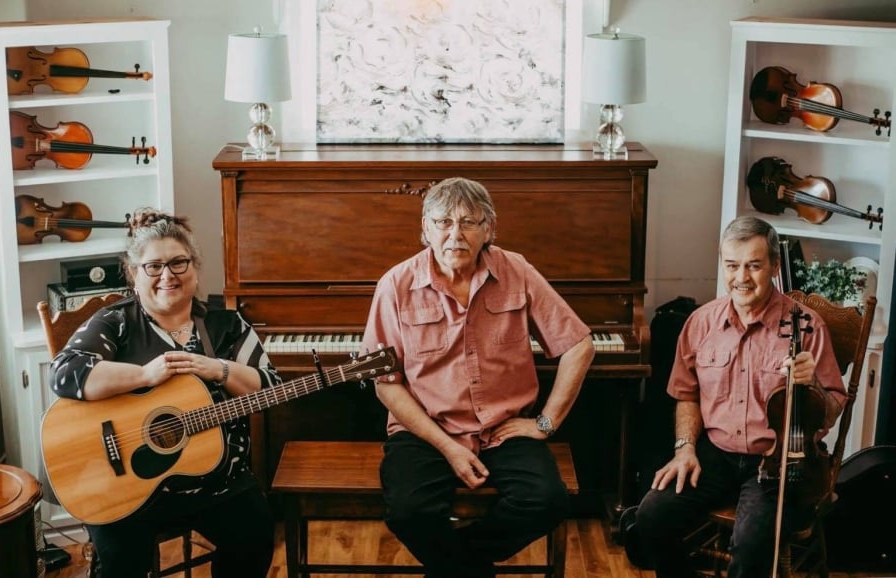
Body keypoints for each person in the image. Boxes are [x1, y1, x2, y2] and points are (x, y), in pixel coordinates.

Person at [360, 177, 596, 578]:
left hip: (503, 429)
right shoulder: (396, 285)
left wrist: (545, 423)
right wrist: (448, 447)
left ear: (490, 229)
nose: (455, 234)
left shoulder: (517, 270)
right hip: (425, 431)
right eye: (443, 223)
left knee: (547, 501)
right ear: (425, 229)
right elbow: (386, 382)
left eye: (469, 222)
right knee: (408, 512)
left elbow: (579, 345)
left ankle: (460, 567)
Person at [47, 208, 282, 578]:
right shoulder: (117, 322)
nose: (167, 276)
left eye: (178, 263)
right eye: (153, 266)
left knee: (254, 535)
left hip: (219, 483)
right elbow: (65, 373)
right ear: (134, 274)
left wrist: (219, 369)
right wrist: (143, 375)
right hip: (126, 489)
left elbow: (271, 388)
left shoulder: (225, 325)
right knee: (122, 562)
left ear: (195, 268)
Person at [630, 215, 846, 578]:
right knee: (649, 517)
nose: (741, 277)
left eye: (754, 266)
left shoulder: (806, 325)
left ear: (775, 266)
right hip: (714, 454)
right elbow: (686, 394)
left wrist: (814, 387)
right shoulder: (701, 322)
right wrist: (685, 449)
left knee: (750, 546)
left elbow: (832, 407)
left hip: (774, 461)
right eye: (732, 265)